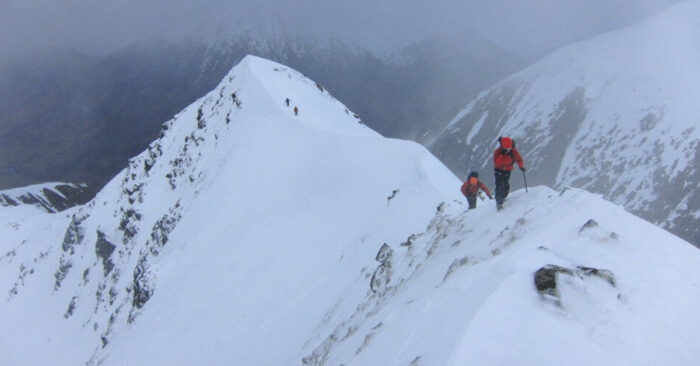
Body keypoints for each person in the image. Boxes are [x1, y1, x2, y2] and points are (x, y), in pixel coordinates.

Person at [493, 136, 525, 210]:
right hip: (498, 170)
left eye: (509, 148)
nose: (508, 150)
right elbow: (496, 162)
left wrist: (521, 166)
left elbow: (519, 159)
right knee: (499, 185)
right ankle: (499, 202)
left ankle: (503, 197)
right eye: (507, 149)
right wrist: (502, 155)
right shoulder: (498, 152)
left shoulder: (513, 151)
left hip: (507, 170)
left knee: (506, 185)